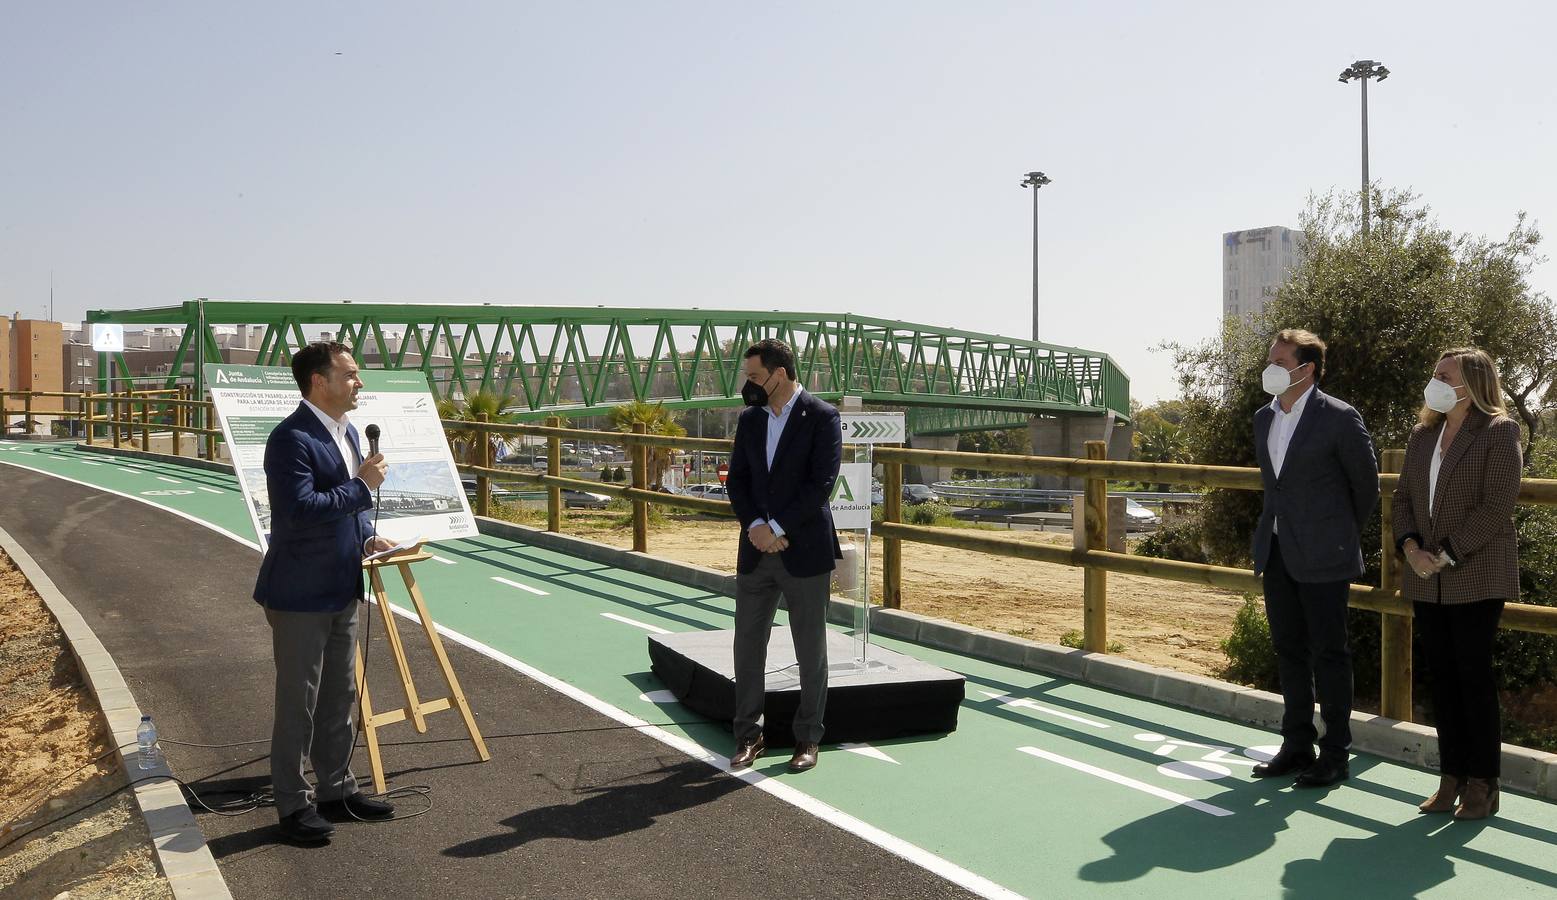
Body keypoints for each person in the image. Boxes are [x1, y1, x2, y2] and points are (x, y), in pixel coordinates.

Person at [253, 342, 397, 842]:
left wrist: (368, 536)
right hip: (299, 593)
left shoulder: (348, 431)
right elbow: (299, 510)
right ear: (320, 381)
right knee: (300, 702)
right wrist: (361, 486)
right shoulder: (290, 439)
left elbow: (345, 514)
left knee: (340, 696)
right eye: (351, 375)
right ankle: (292, 807)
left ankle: (335, 790)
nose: (360, 383)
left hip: (341, 586)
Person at [1392, 348, 1522, 820]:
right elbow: (1404, 497)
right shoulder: (1422, 434)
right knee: (1442, 681)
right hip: (1426, 579)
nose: (1435, 382)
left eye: (1444, 375)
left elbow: (1496, 506)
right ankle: (1450, 779)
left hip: (1475, 575)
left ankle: (1483, 784)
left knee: (1473, 679)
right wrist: (1410, 549)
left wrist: (1442, 554)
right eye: (1434, 374)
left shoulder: (1500, 431)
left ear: (1473, 383)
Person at [1250, 329, 1379, 787]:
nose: (1270, 368)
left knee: (1329, 654)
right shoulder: (1264, 418)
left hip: (1326, 555)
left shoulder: (1340, 418)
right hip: (1279, 550)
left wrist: (1337, 536)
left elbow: (1365, 488)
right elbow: (1276, 487)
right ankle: (1296, 745)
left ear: (1308, 369)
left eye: (1279, 361)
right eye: (1270, 359)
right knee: (1289, 651)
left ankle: (1336, 753)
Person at [725, 338, 843, 772]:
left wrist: (775, 528)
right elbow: (737, 481)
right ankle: (748, 736)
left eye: (755, 376)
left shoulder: (823, 417)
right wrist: (756, 527)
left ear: (780, 374)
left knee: (810, 649)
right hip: (756, 552)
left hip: (803, 552)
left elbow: (820, 485)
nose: (749, 384)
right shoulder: (751, 419)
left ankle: (807, 739)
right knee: (747, 646)